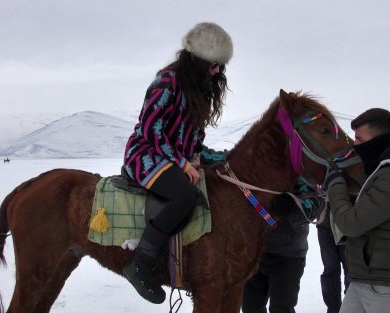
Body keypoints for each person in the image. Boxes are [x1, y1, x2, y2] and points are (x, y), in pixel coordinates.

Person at [121, 22, 233, 304]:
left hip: (176, 159)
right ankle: (141, 264)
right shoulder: (167, 81)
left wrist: (221, 160)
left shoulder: (199, 91)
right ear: (196, 58)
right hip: (146, 155)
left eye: (220, 65)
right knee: (183, 195)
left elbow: (194, 141)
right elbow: (151, 128)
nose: (217, 71)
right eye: (213, 65)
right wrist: (182, 163)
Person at [323, 108, 390, 313]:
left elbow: (351, 224)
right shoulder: (383, 172)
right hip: (365, 277)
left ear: (380, 140)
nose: (354, 146)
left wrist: (335, 183)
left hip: (388, 284)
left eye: (359, 139)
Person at [242, 178, 319, 313]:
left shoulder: (299, 167)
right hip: (254, 252)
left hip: (287, 254)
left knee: (281, 309)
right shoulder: (253, 162)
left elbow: (313, 208)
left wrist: (291, 207)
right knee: (250, 308)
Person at [316, 216, 349, 313]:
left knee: (352, 271)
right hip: (325, 224)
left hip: (348, 224)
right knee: (330, 271)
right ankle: (333, 310)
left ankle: (352, 308)